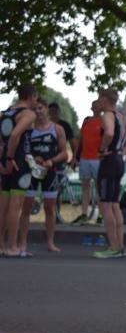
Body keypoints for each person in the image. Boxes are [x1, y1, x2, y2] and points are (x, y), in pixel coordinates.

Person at [93, 87, 126, 259]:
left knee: (105, 205)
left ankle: (113, 246)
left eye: (99, 98)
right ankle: (119, 246)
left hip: (109, 160)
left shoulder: (108, 115)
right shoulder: (121, 117)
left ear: (104, 99)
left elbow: (109, 133)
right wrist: (124, 150)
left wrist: (101, 148)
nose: (98, 102)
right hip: (118, 160)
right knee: (114, 204)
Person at [19, 98, 68, 254]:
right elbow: (22, 151)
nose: (38, 112)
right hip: (31, 172)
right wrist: (33, 159)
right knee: (26, 209)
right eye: (35, 109)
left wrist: (51, 161)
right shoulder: (28, 129)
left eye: (40, 108)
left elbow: (64, 153)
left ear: (46, 109)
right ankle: (23, 243)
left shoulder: (57, 129)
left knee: (49, 208)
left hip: (50, 172)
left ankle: (50, 242)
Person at [0, 84, 38, 257]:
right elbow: (15, 135)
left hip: (5, 159)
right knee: (16, 207)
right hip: (19, 161)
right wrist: (10, 158)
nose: (36, 102)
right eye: (36, 98)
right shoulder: (28, 114)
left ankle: (1, 246)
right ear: (31, 97)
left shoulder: (6, 113)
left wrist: (3, 159)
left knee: (3, 207)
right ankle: (12, 247)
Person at [72, 99, 103, 225]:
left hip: (97, 159)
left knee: (99, 188)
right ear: (91, 108)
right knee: (85, 187)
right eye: (94, 106)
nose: (96, 108)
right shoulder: (86, 122)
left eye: (98, 106)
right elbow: (80, 141)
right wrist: (75, 156)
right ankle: (84, 214)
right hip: (85, 158)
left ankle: (100, 216)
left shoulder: (104, 122)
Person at [48, 102, 78, 224]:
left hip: (59, 160)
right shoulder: (45, 125)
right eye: (51, 112)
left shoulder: (64, 125)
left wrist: (74, 158)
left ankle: (56, 215)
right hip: (45, 160)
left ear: (58, 112)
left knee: (57, 188)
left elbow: (73, 143)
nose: (53, 114)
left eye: (55, 112)